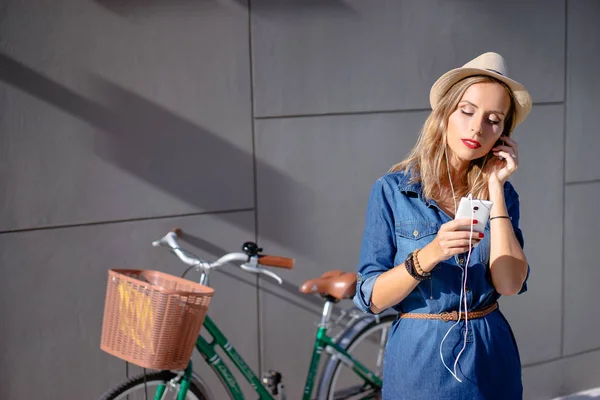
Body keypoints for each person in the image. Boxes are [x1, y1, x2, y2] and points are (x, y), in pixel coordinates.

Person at [353, 52, 532, 399]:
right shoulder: (393, 191)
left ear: (503, 135)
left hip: (490, 355)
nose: (477, 127)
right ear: (445, 113)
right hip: (420, 358)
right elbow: (371, 298)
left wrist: (495, 186)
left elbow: (509, 284)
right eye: (467, 111)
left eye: (493, 120)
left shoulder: (504, 195)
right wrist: (431, 253)